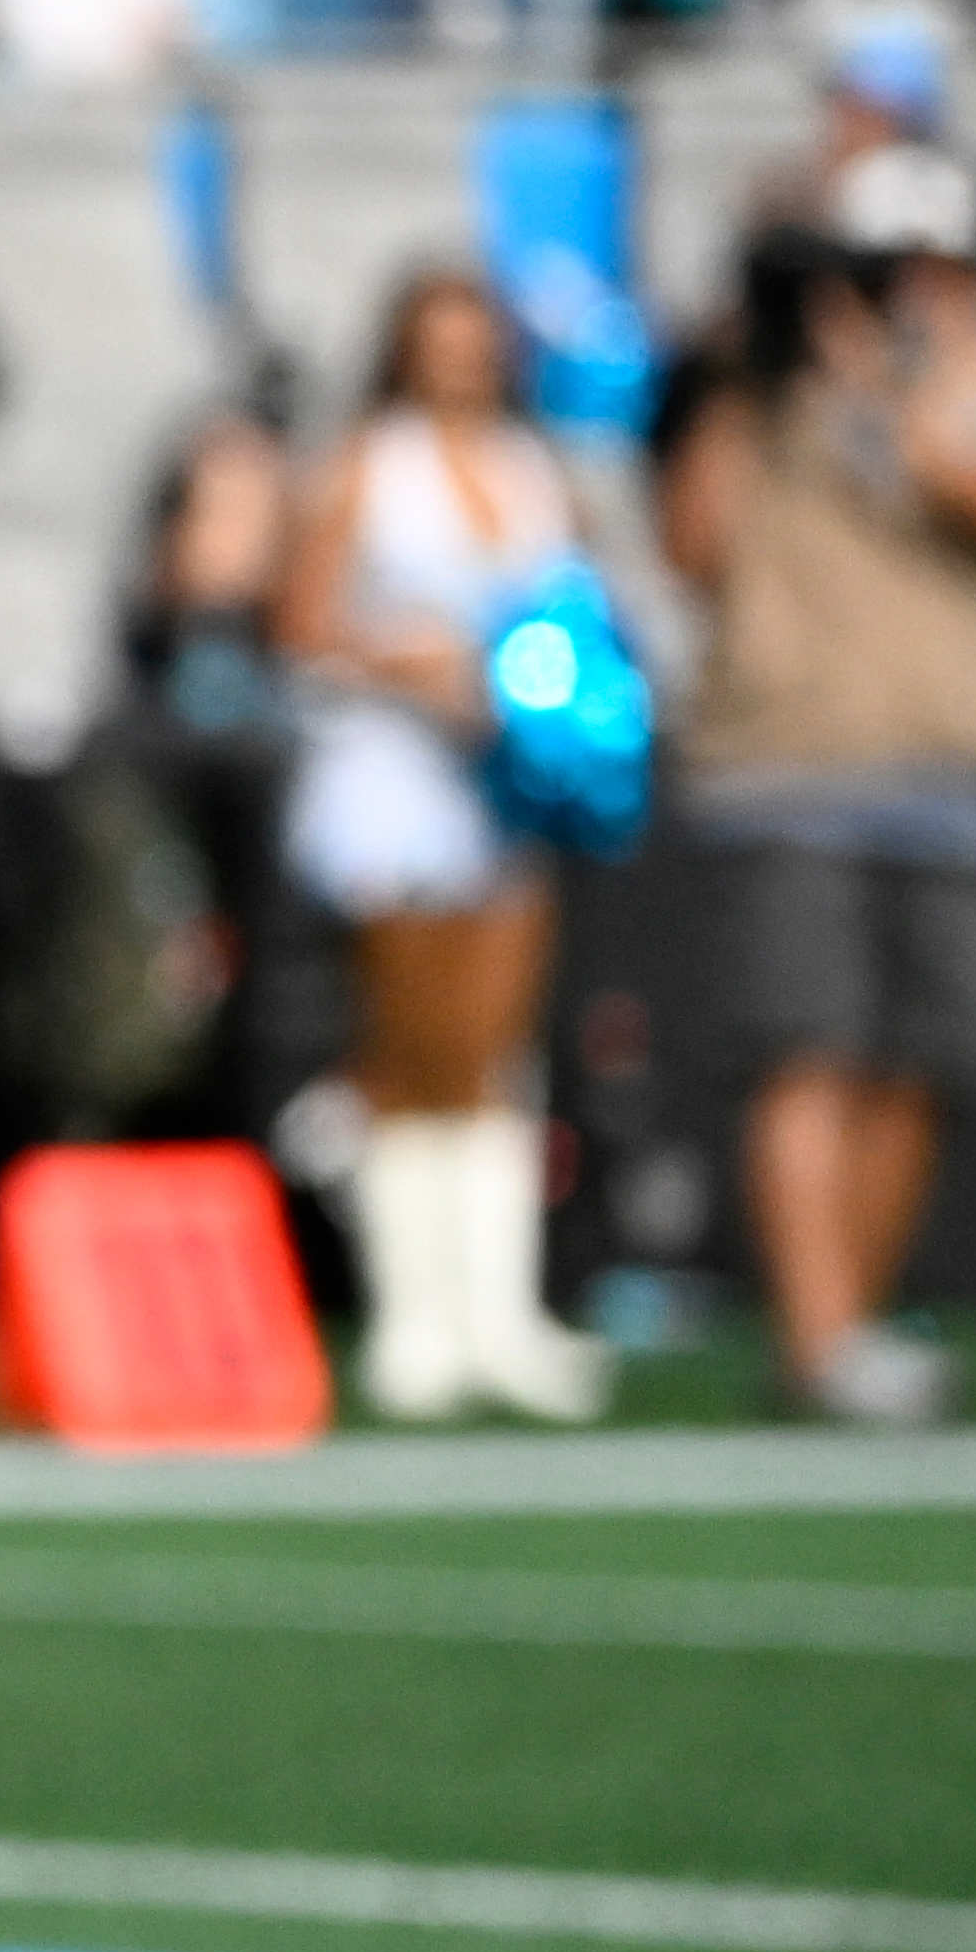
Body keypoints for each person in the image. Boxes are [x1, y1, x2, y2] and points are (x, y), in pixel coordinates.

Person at [651, 217, 976, 1426]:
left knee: (916, 1064)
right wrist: (744, 382)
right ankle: (819, 1340)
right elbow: (694, 547)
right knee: (805, 1046)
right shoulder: (748, 400)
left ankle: (852, 1331)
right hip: (787, 766)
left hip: (943, 770)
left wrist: (889, 388)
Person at [273, 264, 613, 1423]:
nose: (461, 361)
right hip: (394, 775)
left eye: (478, 340)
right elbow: (302, 622)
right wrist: (410, 665)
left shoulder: (533, 468)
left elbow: (575, 612)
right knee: (414, 1045)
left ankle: (499, 1316)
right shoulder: (371, 463)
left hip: (511, 777)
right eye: (440, 340)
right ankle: (416, 1315)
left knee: (496, 1045)